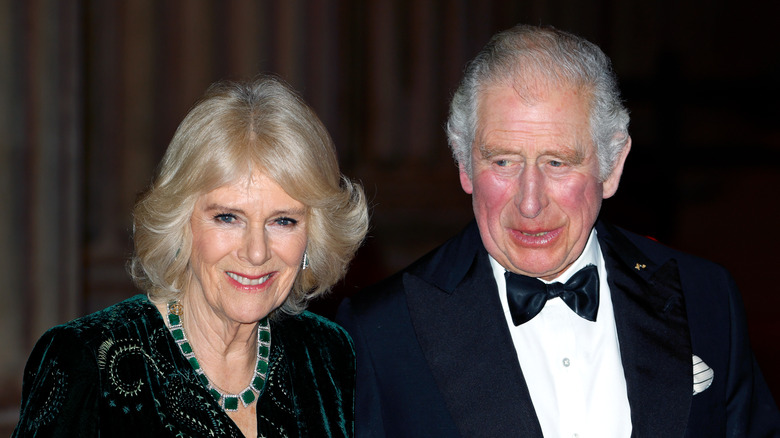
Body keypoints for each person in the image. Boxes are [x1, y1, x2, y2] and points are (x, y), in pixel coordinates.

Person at [336, 24, 780, 437]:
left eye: (557, 162)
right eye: (503, 161)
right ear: (464, 164)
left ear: (612, 166)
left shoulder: (705, 297)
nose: (531, 203)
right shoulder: (380, 333)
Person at [14, 76, 368, 437]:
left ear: (313, 233)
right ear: (182, 223)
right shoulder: (87, 362)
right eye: (228, 218)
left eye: (283, 221)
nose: (257, 251)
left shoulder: (328, 356)